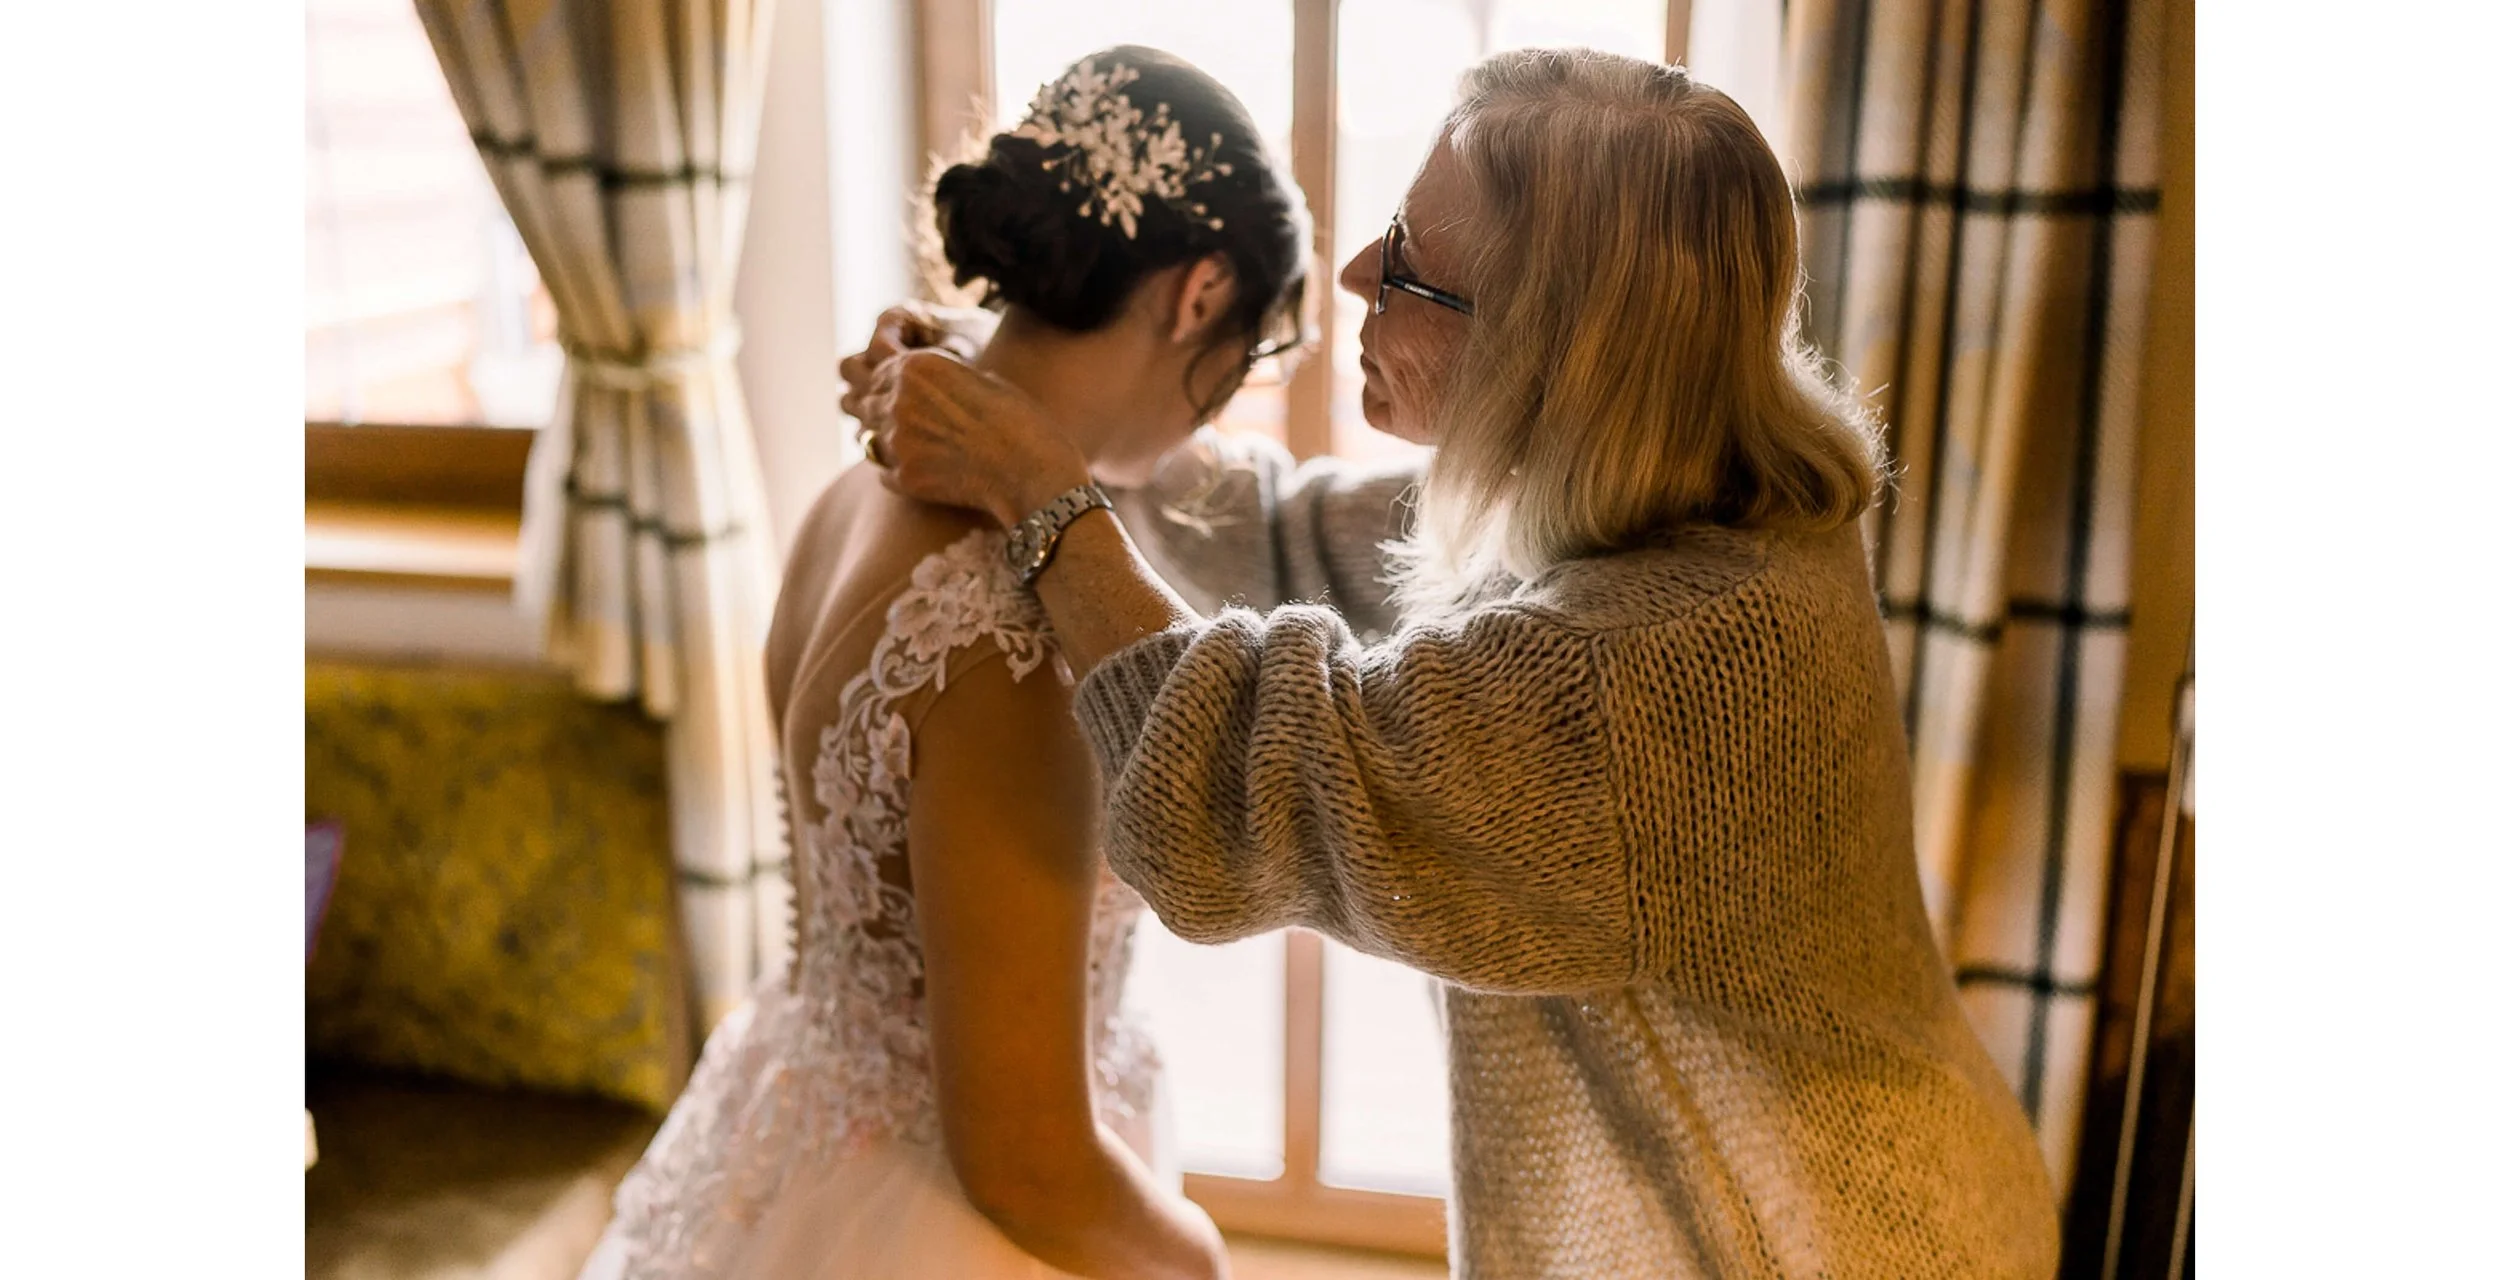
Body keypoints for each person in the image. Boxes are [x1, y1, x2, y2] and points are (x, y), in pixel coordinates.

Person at [845, 48, 2062, 1279]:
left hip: (1812, 1243)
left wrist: (1039, 491)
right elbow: (1278, 531)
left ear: (1556, 353)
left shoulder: (1666, 669)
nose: (1362, 273)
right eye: (1387, 231)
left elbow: (1252, 779)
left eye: (1413, 268)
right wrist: (1002, 370)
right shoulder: (1668, 475)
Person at [580, 46, 1313, 1279]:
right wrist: (1199, 1263)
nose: (1224, 408)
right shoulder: (1013, 641)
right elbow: (1027, 1164)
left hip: (795, 1138)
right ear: (1199, 296)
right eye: (1247, 355)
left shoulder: (852, 488)